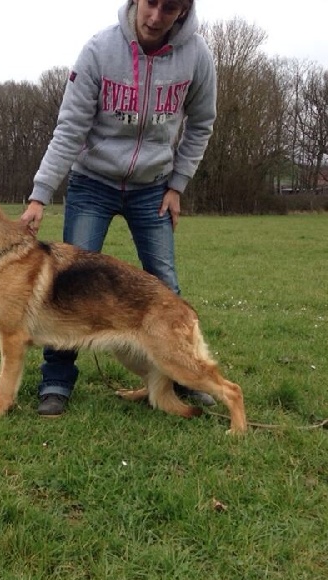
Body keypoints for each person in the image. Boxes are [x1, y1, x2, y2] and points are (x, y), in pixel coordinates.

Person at [19, 0, 218, 417]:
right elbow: (70, 127)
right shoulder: (98, 51)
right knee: (65, 285)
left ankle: (182, 376)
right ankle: (56, 381)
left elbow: (201, 124)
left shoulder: (197, 56)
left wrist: (177, 184)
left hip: (153, 188)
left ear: (182, 12)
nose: (155, 17)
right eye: (150, 4)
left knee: (164, 283)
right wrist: (41, 193)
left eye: (169, 10)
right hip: (92, 183)